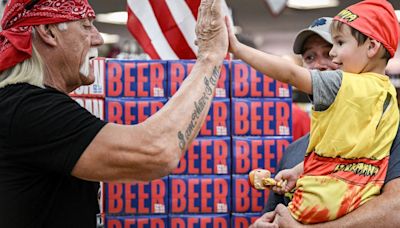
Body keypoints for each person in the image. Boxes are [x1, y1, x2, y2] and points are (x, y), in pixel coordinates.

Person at [0, 0, 228, 227]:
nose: (98, 38)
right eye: (86, 26)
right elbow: (156, 151)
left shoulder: (22, 104)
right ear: (48, 31)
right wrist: (209, 58)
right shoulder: (28, 108)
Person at [227, 0, 399, 225]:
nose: (323, 63)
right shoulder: (296, 151)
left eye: (333, 48)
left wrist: (236, 48)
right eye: (309, 58)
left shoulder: (391, 133)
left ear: (371, 48)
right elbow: (339, 157)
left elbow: (394, 210)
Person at [264, 16, 339, 213]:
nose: (319, 65)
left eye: (330, 54)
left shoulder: (385, 135)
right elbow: (275, 211)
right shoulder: (294, 152)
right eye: (310, 58)